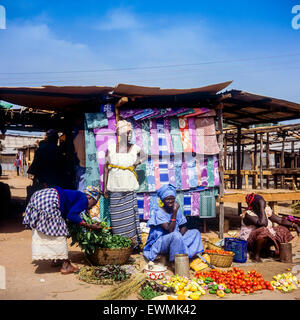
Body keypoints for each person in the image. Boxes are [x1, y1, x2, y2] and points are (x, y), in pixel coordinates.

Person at [23, 185, 101, 274]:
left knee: (54, 230)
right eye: (94, 203)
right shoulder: (84, 199)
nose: (92, 207)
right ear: (89, 197)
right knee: (59, 231)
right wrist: (88, 225)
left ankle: (57, 259)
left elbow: (67, 214)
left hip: (40, 196)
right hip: (50, 200)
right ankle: (66, 265)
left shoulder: (79, 196)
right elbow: (71, 215)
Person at [103, 120, 147, 251]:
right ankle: (120, 245)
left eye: (128, 133)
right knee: (117, 219)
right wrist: (105, 188)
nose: (127, 135)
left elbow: (145, 156)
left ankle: (132, 246)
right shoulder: (110, 148)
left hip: (129, 188)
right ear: (118, 134)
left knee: (130, 219)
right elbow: (106, 168)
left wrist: (136, 163)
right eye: (124, 133)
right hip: (115, 188)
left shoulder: (135, 148)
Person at [143, 184, 204, 263]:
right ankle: (174, 262)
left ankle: (187, 255)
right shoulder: (159, 213)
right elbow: (170, 230)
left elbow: (183, 226)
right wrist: (174, 212)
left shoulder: (176, 211)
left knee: (195, 232)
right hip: (160, 243)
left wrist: (179, 239)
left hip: (174, 238)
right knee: (176, 235)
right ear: (162, 200)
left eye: (172, 199)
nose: (170, 201)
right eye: (168, 199)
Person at [240, 193, 300, 262]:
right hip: (250, 242)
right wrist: (262, 208)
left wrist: (295, 226)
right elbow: (263, 223)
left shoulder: (266, 210)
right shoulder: (248, 214)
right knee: (263, 230)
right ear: (254, 205)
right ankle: (255, 255)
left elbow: (280, 220)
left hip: (265, 238)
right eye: (261, 204)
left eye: (264, 203)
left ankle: (268, 251)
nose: (264, 205)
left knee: (282, 229)